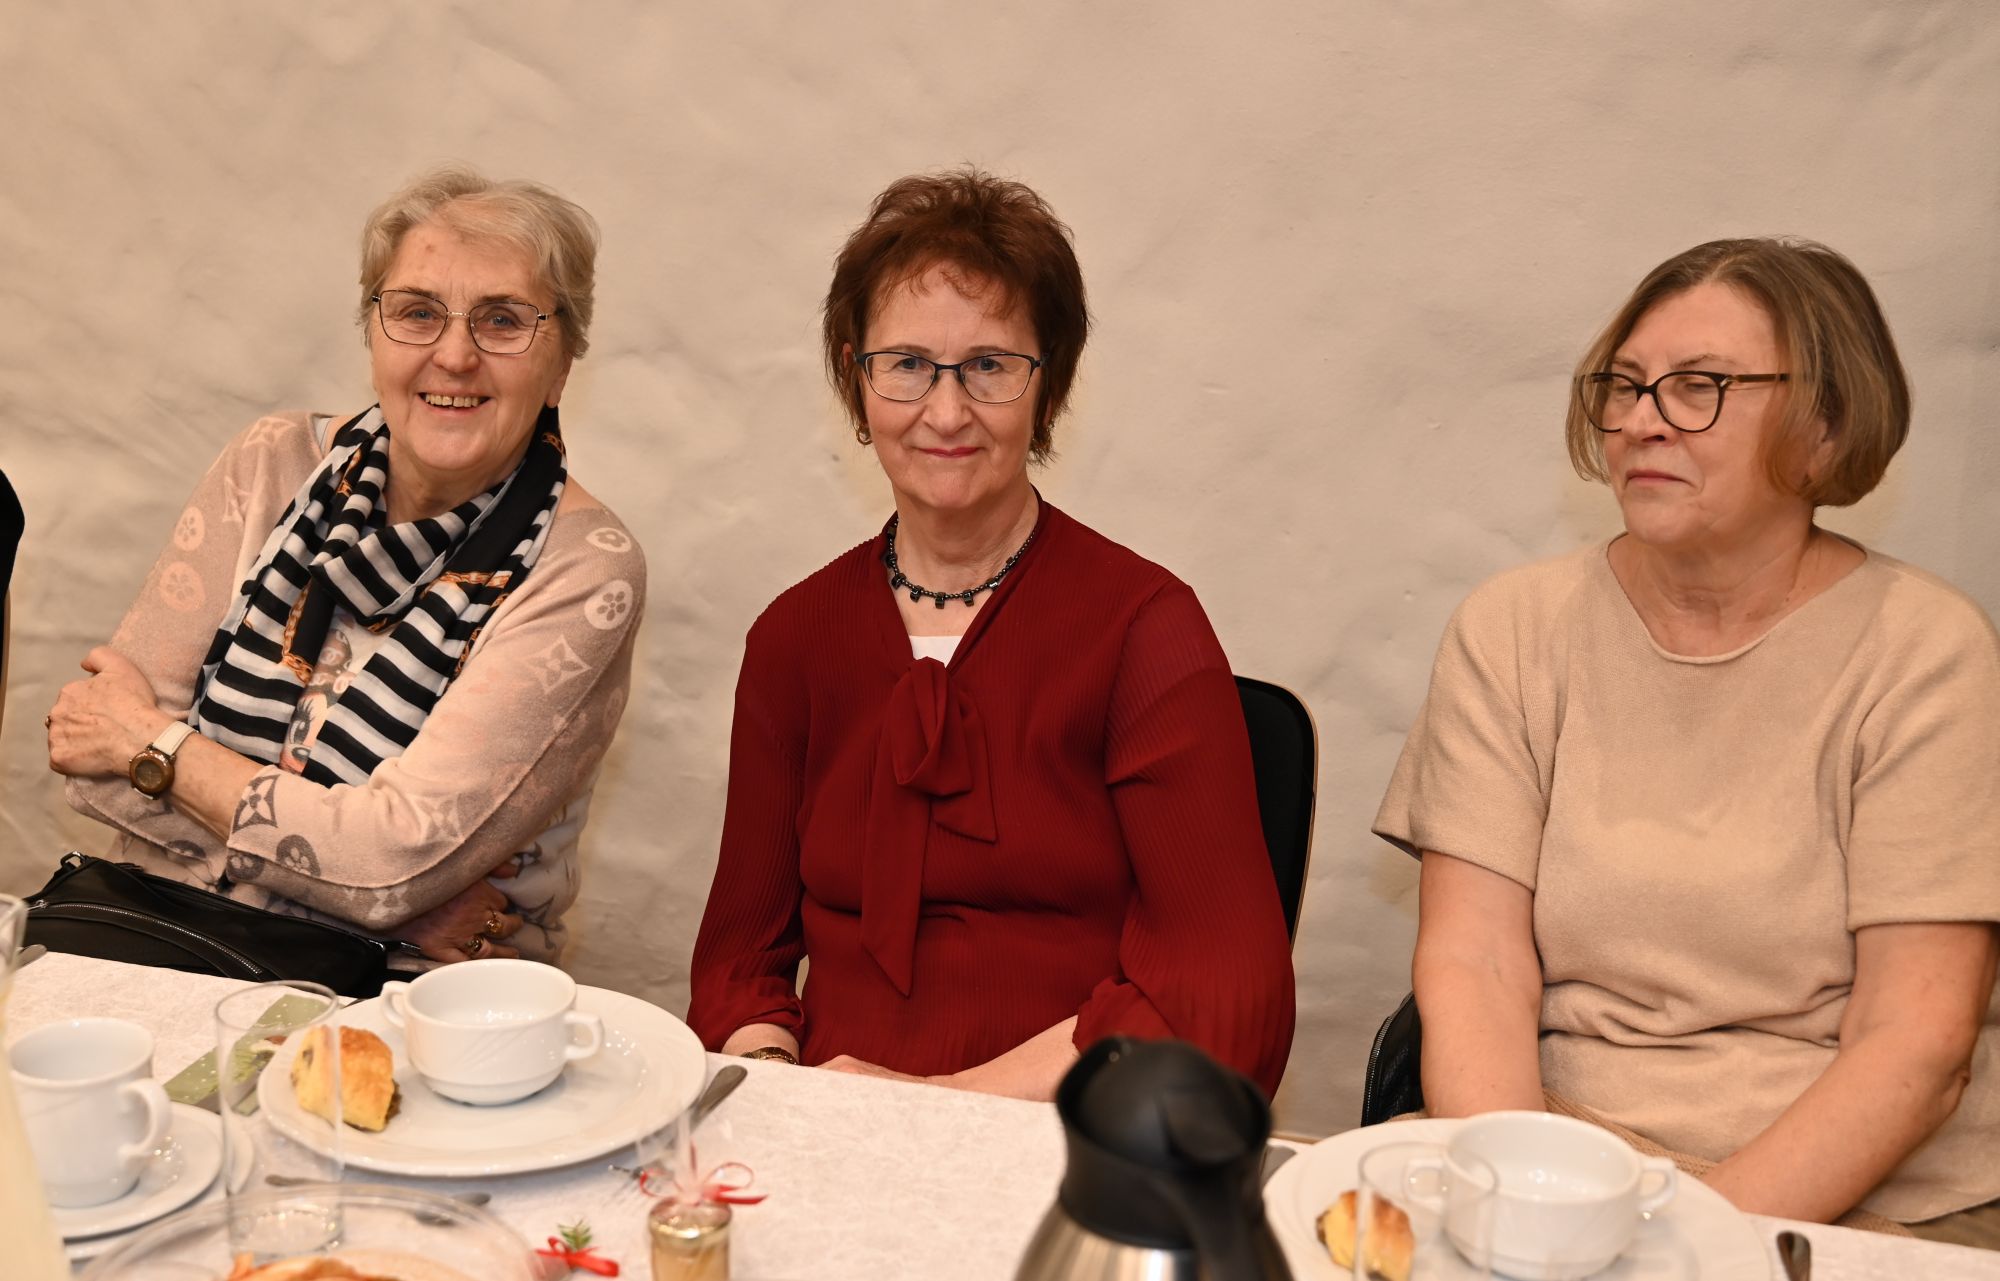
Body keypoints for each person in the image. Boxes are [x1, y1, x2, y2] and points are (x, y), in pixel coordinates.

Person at [1376, 238, 2000, 1244]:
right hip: (1564, 1149)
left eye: (1698, 387)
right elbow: (1475, 965)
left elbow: (1915, 1046)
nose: (1641, 422)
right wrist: (1528, 1199)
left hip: (1857, 1195)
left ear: (1826, 425)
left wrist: (1681, 1247)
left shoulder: (1927, 651)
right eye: (1623, 387)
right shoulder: (1514, 627)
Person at [687, 169, 1295, 1100]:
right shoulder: (793, 638)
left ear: (1049, 387)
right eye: (906, 364)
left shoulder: (1148, 631)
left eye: (990, 365)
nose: (946, 410)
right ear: (856, 379)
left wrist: (944, 1106)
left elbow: (1225, 992)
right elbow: (740, 964)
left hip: (1062, 1125)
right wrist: (780, 1085)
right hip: (830, 1124)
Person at [47, 165, 645, 967]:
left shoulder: (585, 570)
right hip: (165, 941)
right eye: (417, 312)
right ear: (373, 332)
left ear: (563, 361)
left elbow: (389, 866)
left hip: (401, 1002)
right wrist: (361, 890)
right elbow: (92, 762)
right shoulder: (269, 462)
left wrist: (150, 747)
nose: (455, 354)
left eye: (503, 320)